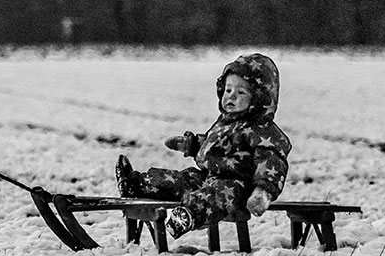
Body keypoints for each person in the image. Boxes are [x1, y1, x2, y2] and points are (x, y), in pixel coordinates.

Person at [114, 53, 291, 239]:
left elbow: (272, 162)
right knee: (182, 179)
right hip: (208, 176)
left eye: (241, 93)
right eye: (228, 90)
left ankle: (188, 216)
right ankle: (136, 184)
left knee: (215, 196)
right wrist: (190, 145)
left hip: (237, 186)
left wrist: (262, 192)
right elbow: (212, 146)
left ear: (259, 98)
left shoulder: (262, 130)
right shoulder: (226, 122)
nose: (231, 97)